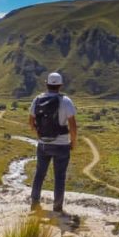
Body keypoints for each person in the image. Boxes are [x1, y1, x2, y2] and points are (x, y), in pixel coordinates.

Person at [29, 72, 77, 212]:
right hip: (62, 145)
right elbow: (73, 126)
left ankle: (34, 202)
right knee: (59, 177)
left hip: (43, 144)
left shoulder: (37, 99)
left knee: (40, 173)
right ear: (60, 85)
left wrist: (39, 133)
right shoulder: (66, 101)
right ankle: (57, 207)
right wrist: (73, 142)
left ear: (47, 84)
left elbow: (31, 122)